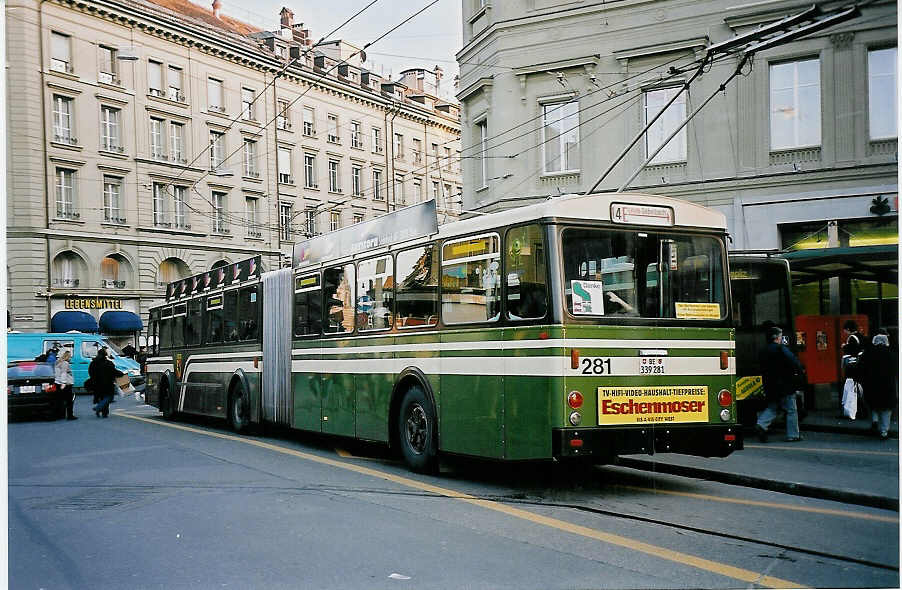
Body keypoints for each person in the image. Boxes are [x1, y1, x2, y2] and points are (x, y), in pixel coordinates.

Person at [756, 326, 805, 443]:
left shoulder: (763, 351)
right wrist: (800, 370)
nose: (781, 338)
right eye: (780, 336)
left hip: (770, 385)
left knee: (773, 407)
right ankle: (793, 435)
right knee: (791, 409)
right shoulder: (781, 349)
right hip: (785, 385)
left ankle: (761, 424)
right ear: (776, 337)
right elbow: (793, 361)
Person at [860, 330, 897, 440]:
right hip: (888, 385)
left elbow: (862, 368)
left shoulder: (869, 353)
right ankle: (884, 431)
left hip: (872, 385)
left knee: (874, 405)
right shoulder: (891, 353)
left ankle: (875, 421)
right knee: (886, 409)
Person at [89, 348, 124, 418]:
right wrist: (121, 374)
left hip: (96, 383)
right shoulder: (108, 363)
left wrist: (94, 379)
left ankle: (99, 410)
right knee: (109, 397)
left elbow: (90, 372)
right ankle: (102, 410)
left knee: (101, 397)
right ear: (105, 355)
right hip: (108, 383)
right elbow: (114, 371)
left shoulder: (93, 363)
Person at [54, 349, 77, 420]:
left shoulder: (57, 362)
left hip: (58, 382)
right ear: (66, 356)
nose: (70, 358)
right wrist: (63, 383)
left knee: (59, 400)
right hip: (66, 384)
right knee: (69, 401)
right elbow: (63, 373)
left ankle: (59, 415)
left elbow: (57, 374)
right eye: (69, 356)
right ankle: (70, 415)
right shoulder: (65, 363)